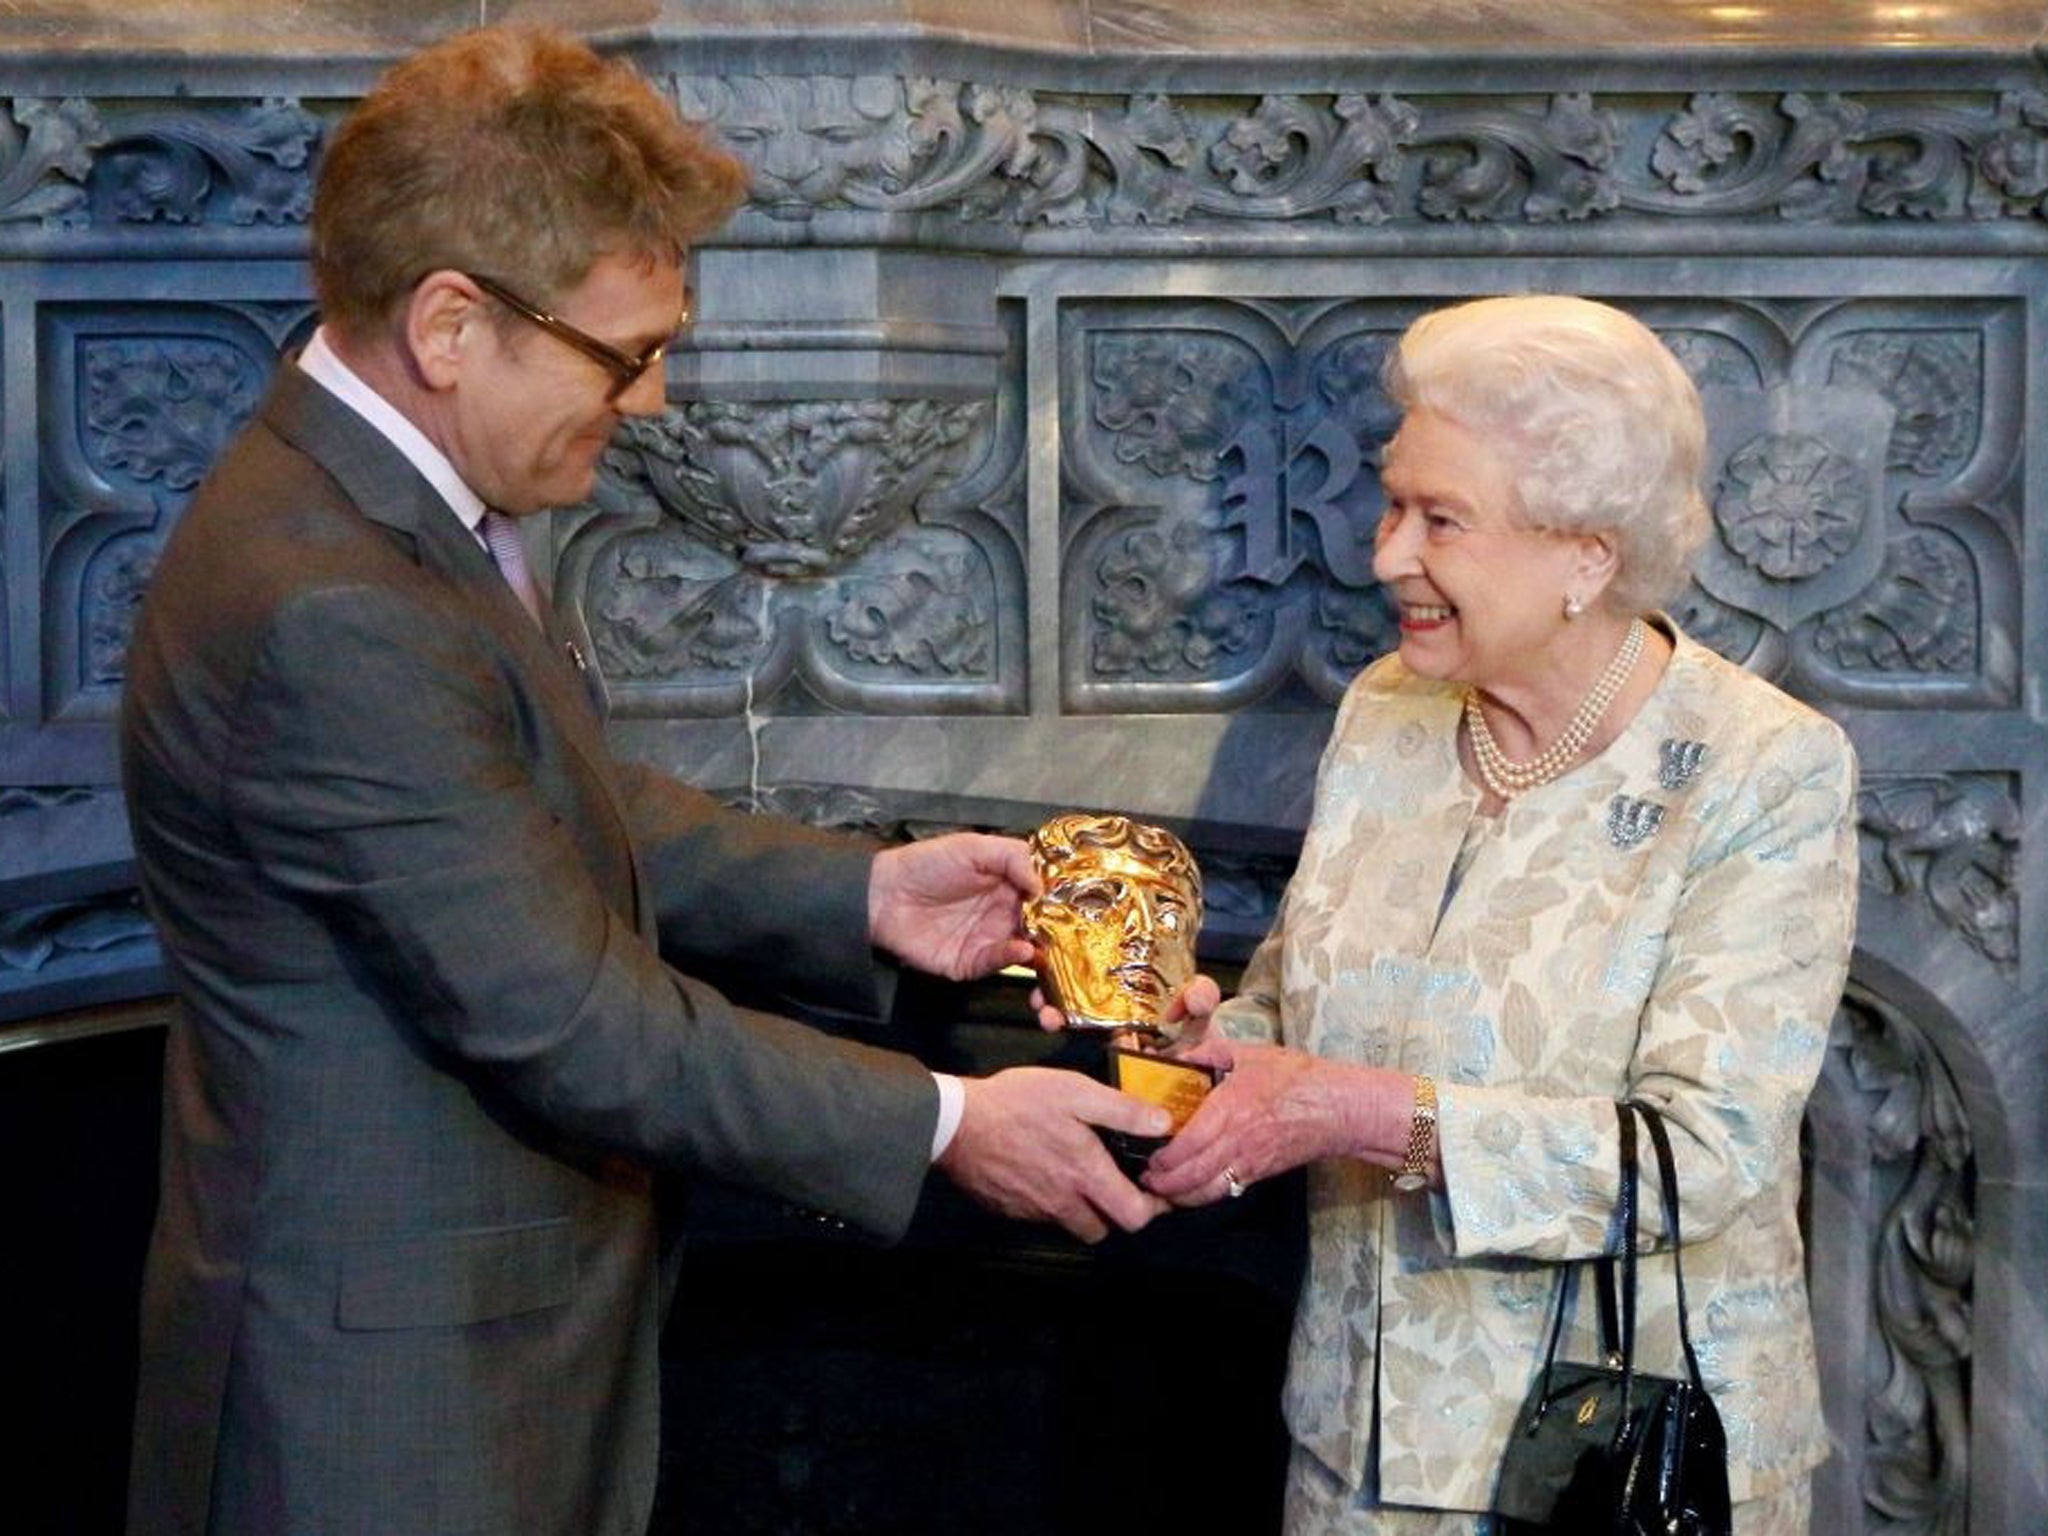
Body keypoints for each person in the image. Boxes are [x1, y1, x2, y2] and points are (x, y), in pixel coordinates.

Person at [118, 26, 1169, 1536]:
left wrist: (864, 892)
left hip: (463, 1359)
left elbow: (534, 799)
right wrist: (946, 1120)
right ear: (452, 324)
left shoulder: (373, 517)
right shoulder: (329, 602)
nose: (657, 400)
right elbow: (569, 1022)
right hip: (384, 1418)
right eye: (626, 354)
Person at [1143, 295, 1858, 1536]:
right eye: (1391, 503)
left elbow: (1703, 1159)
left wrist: (1350, 1109)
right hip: (1353, 1453)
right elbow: (1295, 993)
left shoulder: (1761, 766)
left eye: (1440, 521)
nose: (1382, 557)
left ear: (1585, 552)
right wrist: (1205, 1039)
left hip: (1611, 1467)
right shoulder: (1387, 712)